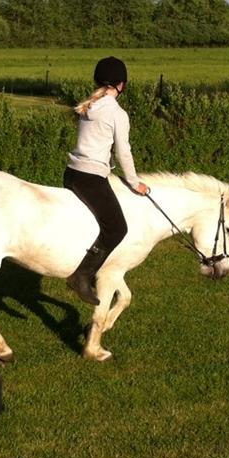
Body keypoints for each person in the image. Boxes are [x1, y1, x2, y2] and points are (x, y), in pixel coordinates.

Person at [64, 56, 149, 305]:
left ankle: (90, 269)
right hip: (91, 177)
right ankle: (82, 275)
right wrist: (134, 182)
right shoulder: (117, 113)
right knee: (117, 228)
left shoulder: (88, 106)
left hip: (72, 173)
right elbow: (124, 151)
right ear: (121, 85)